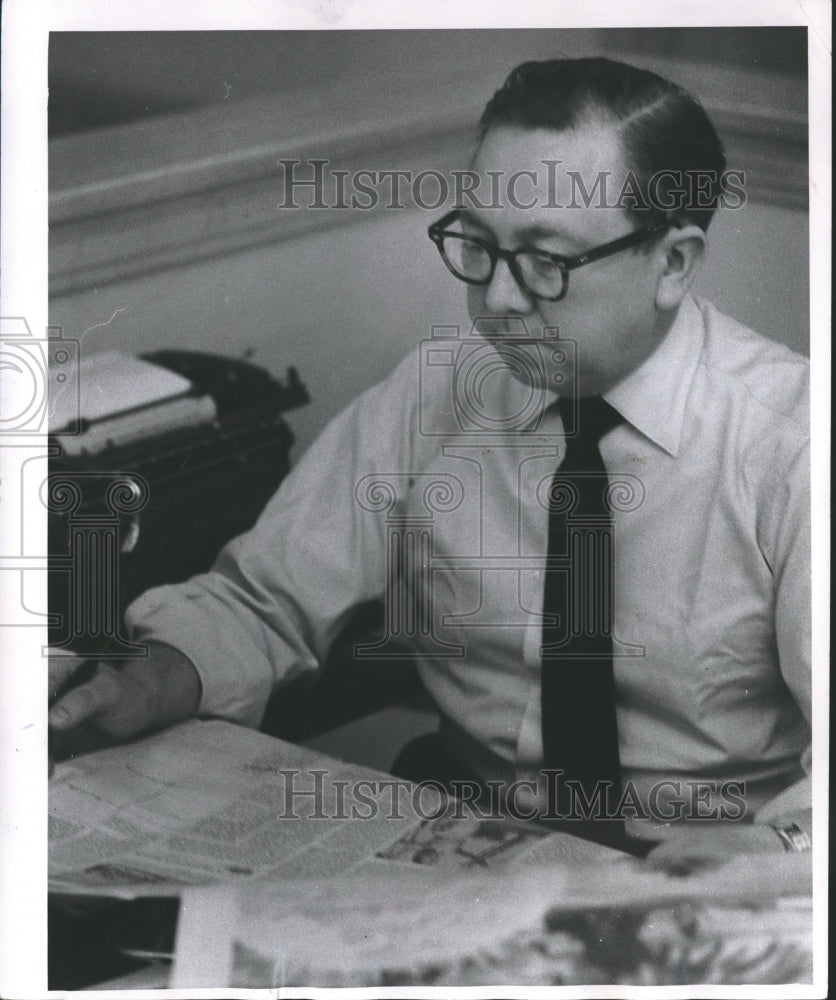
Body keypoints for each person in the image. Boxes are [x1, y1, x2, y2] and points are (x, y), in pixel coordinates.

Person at [48, 57, 811, 868]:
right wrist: (156, 677)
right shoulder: (441, 391)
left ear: (673, 263)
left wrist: (779, 846)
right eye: (477, 245)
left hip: (707, 862)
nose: (499, 301)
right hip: (467, 831)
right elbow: (265, 599)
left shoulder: (792, 445)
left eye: (546, 261)